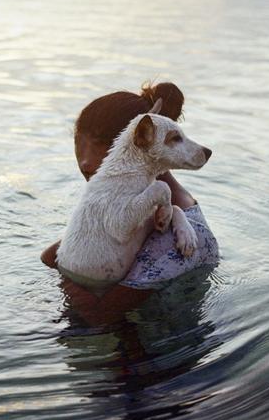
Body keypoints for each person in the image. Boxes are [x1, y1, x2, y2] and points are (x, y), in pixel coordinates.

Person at [42, 82, 219, 325]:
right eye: (77, 143)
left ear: (134, 143)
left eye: (94, 146)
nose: (83, 162)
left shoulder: (176, 239)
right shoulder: (142, 204)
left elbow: (97, 314)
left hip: (157, 357)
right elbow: (54, 256)